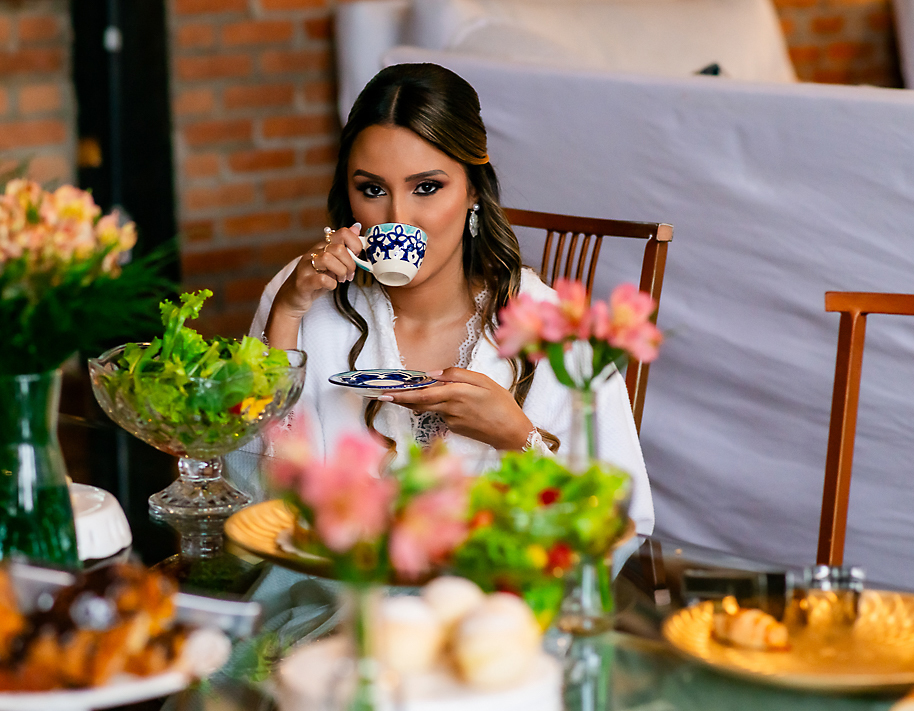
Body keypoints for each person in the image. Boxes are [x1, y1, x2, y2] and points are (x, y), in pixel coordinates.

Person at [250, 62, 653, 536]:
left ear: (474, 192)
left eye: (427, 187)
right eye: (372, 190)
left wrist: (517, 437)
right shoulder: (300, 299)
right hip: (336, 592)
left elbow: (623, 523)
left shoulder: (552, 327)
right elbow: (260, 504)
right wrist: (287, 316)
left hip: (497, 601)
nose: (397, 219)